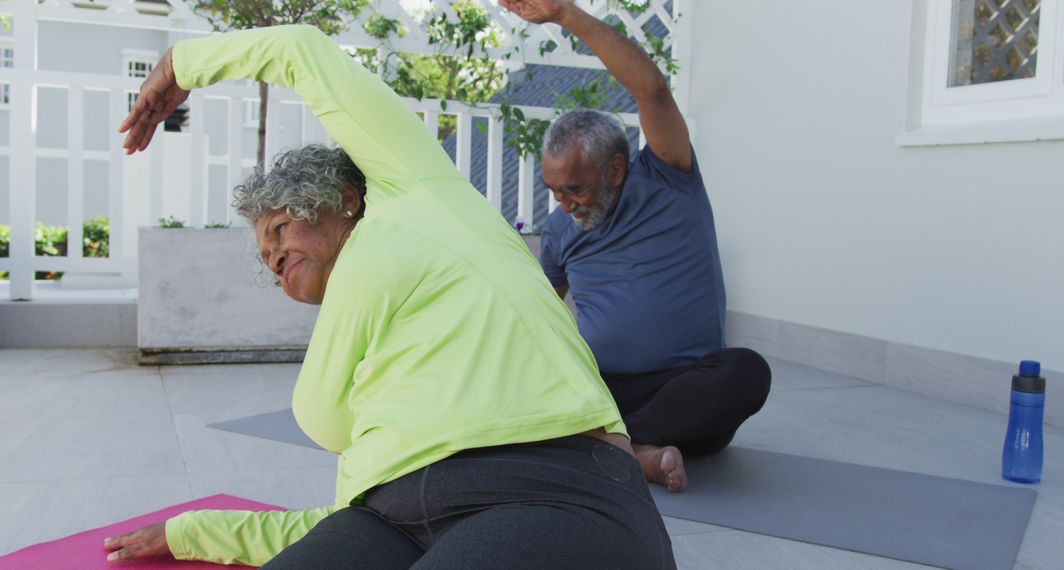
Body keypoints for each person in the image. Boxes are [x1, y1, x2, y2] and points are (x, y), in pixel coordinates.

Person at [103, 24, 675, 569]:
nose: (273, 256)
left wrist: (184, 63)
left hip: (547, 482)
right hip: (386, 516)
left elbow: (303, 51)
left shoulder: (416, 195)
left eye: (280, 229)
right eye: (265, 257)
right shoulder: (374, 353)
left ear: (345, 198)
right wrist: (190, 531)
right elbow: (340, 518)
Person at [501, 0, 772, 492]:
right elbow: (540, 316)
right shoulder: (561, 230)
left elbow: (651, 88)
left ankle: (611, 445)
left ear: (617, 170)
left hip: (688, 392)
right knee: (522, 385)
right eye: (554, 190)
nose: (563, 205)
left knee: (747, 371)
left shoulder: (669, 177)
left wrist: (563, 13)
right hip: (606, 392)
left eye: (575, 190)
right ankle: (634, 450)